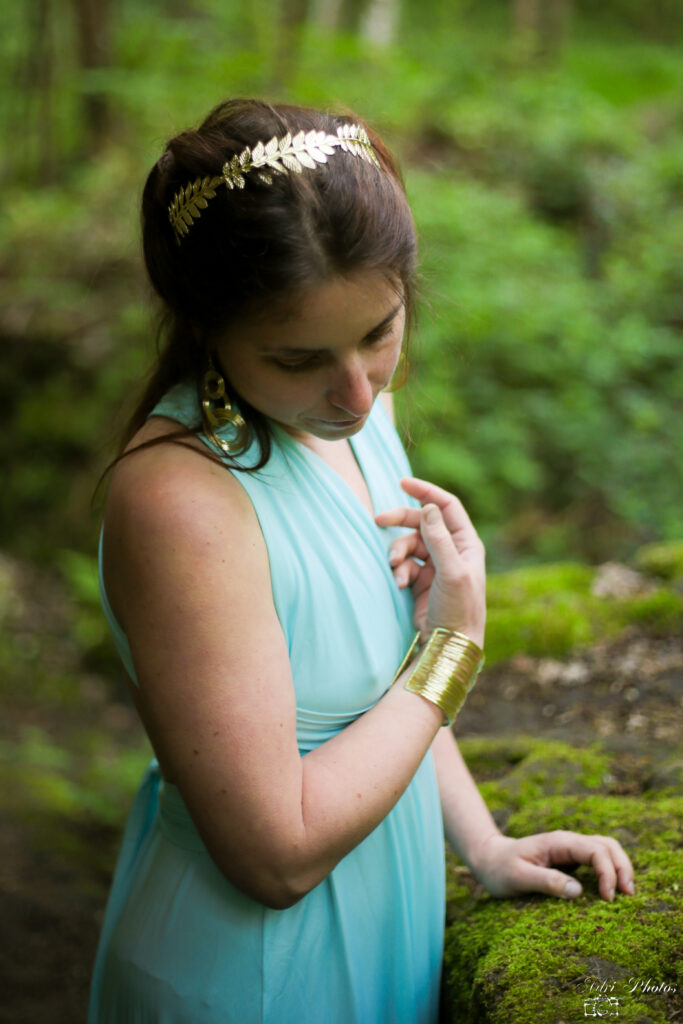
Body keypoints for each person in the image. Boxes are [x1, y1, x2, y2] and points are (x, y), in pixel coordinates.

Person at [89, 98, 634, 1024]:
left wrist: (481, 845)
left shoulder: (355, 421)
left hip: (390, 913)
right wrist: (452, 649)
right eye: (297, 357)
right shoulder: (180, 501)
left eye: (380, 332)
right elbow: (277, 854)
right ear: (207, 327)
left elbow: (385, 695)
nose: (354, 391)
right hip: (250, 977)